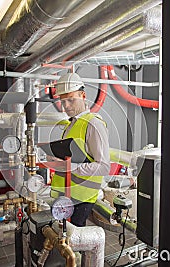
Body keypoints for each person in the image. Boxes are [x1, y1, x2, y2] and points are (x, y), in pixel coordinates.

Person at [50, 73, 110, 227]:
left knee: (76, 240)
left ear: (83, 95)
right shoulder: (71, 124)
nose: (66, 106)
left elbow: (103, 166)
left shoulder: (94, 124)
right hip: (67, 194)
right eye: (63, 101)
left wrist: (71, 167)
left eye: (71, 100)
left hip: (82, 197)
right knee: (64, 239)